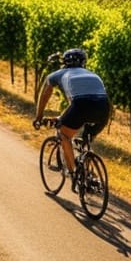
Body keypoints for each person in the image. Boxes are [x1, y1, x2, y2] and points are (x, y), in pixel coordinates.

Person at [33, 48, 111, 185]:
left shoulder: (59, 74)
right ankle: (88, 172)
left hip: (80, 106)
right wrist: (63, 118)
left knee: (64, 135)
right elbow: (86, 99)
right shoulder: (93, 75)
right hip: (104, 108)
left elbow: (45, 94)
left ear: (65, 62)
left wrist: (39, 117)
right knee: (85, 137)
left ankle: (75, 173)